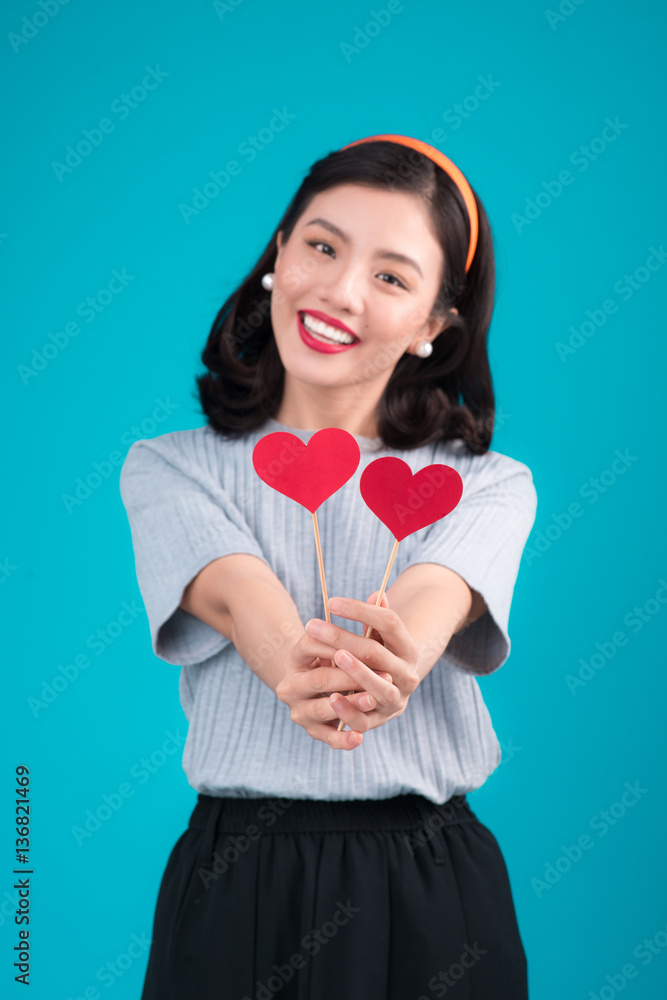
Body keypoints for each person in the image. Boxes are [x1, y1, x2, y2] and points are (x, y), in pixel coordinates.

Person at [119, 134, 537, 999]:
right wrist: (303, 668)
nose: (339, 292)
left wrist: (394, 661)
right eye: (321, 246)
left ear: (434, 323)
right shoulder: (170, 467)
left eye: (390, 276)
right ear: (278, 254)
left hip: (432, 889)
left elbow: (435, 594)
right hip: (237, 884)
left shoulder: (489, 487)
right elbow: (237, 596)